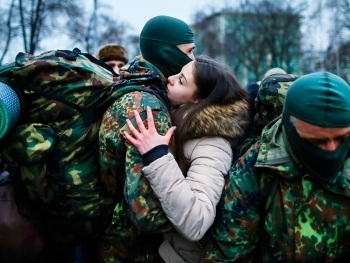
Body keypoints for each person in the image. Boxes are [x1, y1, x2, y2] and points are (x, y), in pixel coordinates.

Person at [203, 71, 350, 262]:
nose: (331, 150)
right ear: (288, 128)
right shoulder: (255, 168)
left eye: (341, 139)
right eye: (316, 141)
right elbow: (229, 253)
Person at [123, 55, 251, 262]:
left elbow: (196, 222)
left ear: (199, 99)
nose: (170, 78)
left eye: (182, 80)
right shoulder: (181, 118)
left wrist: (158, 156)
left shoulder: (213, 145)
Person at [97, 15, 196, 262]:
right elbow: (146, 212)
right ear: (165, 52)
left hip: (115, 238)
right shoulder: (148, 108)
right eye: (189, 51)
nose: (193, 59)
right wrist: (198, 221)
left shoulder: (133, 85)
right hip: (135, 250)